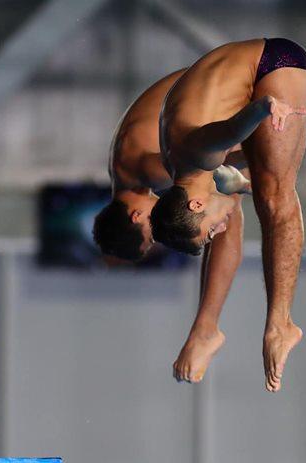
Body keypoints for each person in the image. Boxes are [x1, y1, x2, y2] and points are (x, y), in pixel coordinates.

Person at [152, 38, 306, 392]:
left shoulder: (200, 156)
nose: (219, 229)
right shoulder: (183, 167)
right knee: (262, 190)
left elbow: (226, 132)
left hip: (275, 67)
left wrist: (264, 108)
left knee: (276, 196)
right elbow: (238, 164)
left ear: (196, 205)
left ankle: (280, 324)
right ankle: (218, 328)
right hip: (259, 72)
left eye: (210, 231)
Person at [92, 69, 250, 383]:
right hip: (208, 87)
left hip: (216, 82)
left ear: (136, 217)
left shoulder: (143, 171)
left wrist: (256, 160)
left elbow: (208, 162)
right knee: (213, 210)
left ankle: (206, 327)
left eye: (153, 233)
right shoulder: (125, 172)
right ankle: (206, 326)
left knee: (220, 214)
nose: (160, 228)